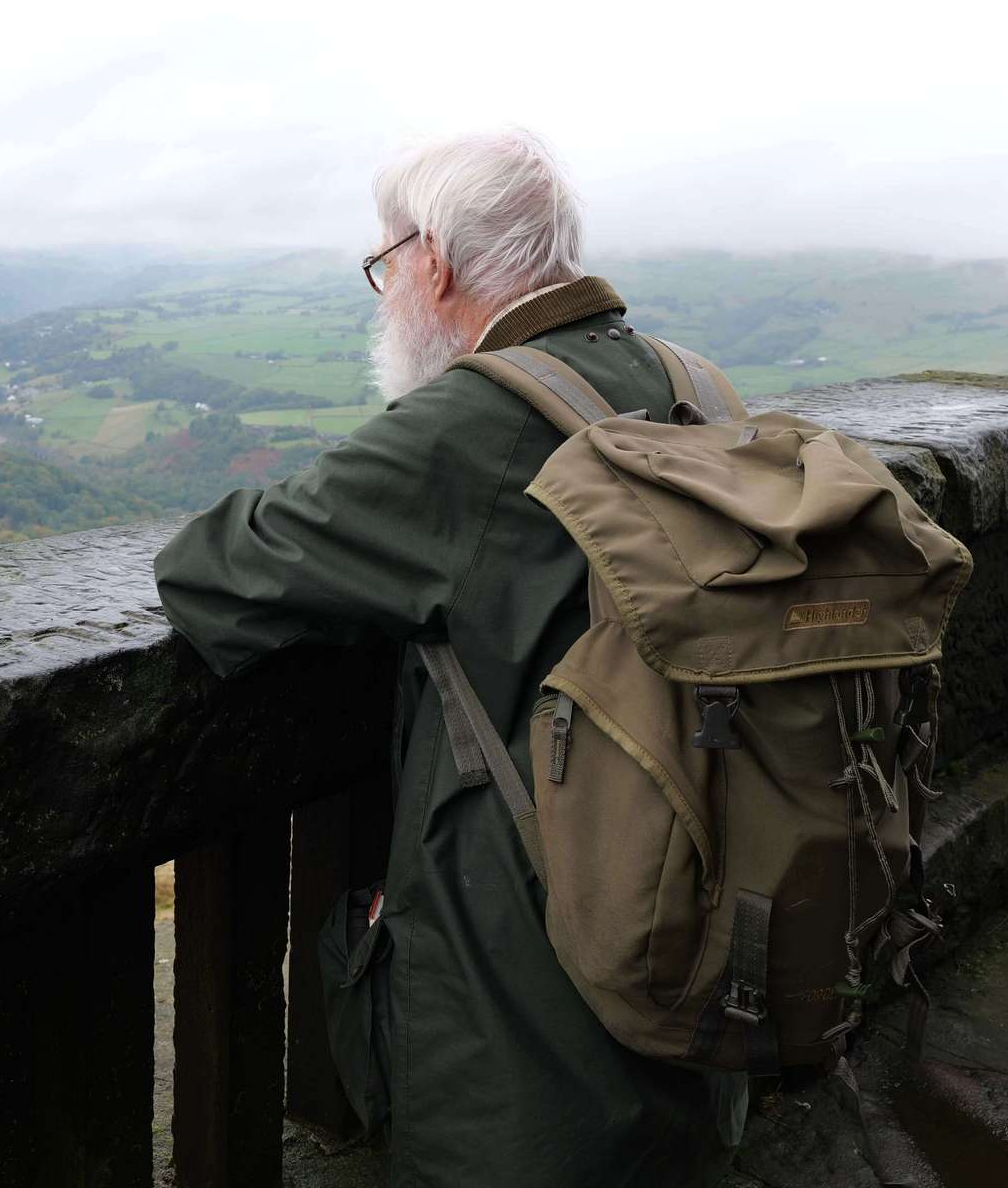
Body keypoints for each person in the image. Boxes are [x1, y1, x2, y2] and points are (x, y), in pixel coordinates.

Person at [152, 129, 743, 1187]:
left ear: (432, 262)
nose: (386, 297)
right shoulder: (692, 384)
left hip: (523, 1020)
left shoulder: (480, 421)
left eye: (386, 270)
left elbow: (217, 570)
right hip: (694, 934)